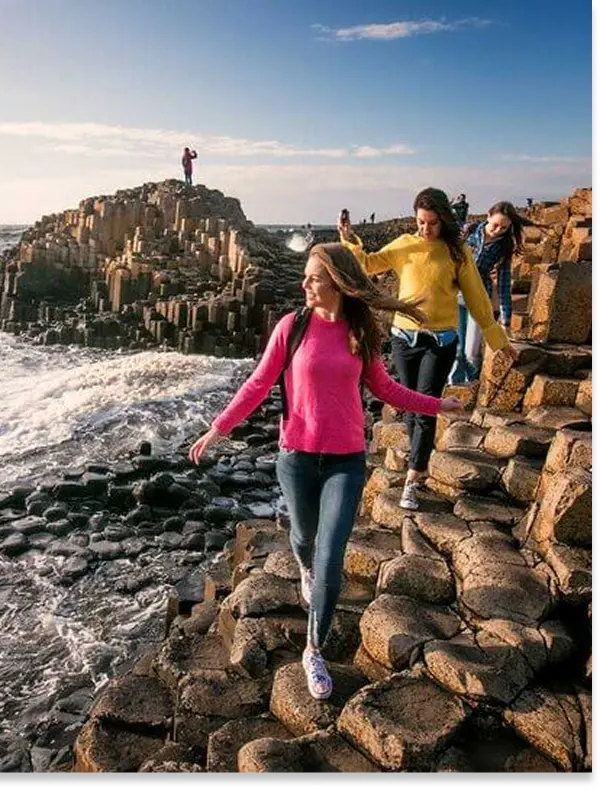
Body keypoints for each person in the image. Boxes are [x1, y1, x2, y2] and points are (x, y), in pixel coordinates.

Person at [188, 243, 465, 700]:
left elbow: (386, 388)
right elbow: (259, 382)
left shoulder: (361, 329)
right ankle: (303, 564)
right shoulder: (292, 327)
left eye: (313, 278)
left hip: (346, 461)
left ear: (337, 281)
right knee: (303, 537)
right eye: (305, 277)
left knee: (331, 553)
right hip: (295, 457)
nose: (305, 285)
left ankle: (313, 649)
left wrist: (438, 404)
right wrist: (218, 429)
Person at [338, 187, 517, 511]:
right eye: (420, 222)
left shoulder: (457, 251)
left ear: (444, 220)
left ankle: (413, 477)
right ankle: (419, 461)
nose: (425, 229)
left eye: (431, 223)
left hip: (441, 341)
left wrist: (498, 341)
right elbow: (368, 263)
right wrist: (349, 238)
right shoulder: (405, 245)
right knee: (410, 406)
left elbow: (477, 299)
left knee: (424, 407)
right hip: (404, 340)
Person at [449, 201, 541, 383]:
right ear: (488, 215)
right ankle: (453, 387)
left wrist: (506, 321)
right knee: (456, 349)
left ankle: (471, 387)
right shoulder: (469, 232)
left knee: (471, 351)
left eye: (504, 228)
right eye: (496, 224)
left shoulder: (504, 247)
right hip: (454, 296)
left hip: (480, 299)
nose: (498, 230)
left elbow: (504, 285)